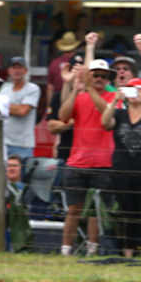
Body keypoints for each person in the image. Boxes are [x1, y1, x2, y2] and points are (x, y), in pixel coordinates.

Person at [100, 78, 141, 258]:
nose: (134, 93)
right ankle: (128, 252)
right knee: (127, 211)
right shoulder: (119, 114)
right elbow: (105, 123)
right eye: (130, 89)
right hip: (123, 171)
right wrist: (114, 100)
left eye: (138, 89)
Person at [58, 60, 117, 256]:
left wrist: (89, 88)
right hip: (77, 161)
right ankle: (66, 250)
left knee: (95, 211)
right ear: (89, 76)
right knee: (73, 209)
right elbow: (63, 116)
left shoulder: (113, 96)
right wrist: (75, 89)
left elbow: (105, 114)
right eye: (96, 75)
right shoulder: (81, 96)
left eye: (104, 76)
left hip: (103, 163)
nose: (100, 79)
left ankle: (93, 249)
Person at [0, 57, 41, 162]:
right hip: (3, 143)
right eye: (13, 68)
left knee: (20, 176)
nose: (16, 71)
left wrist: (3, 106)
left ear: (25, 70)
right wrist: (11, 108)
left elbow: (23, 111)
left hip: (22, 145)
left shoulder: (33, 88)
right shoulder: (5, 88)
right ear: (9, 71)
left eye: (20, 68)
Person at [48, 31, 82, 99]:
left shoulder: (54, 63)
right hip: (75, 96)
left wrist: (49, 106)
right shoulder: (79, 62)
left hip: (58, 98)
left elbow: (50, 87)